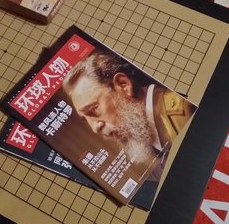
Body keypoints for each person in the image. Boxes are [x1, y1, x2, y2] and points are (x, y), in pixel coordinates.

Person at [62, 49, 196, 181]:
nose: (94, 128)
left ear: (123, 85)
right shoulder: (144, 155)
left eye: (93, 110)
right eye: (85, 119)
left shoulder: (185, 110)